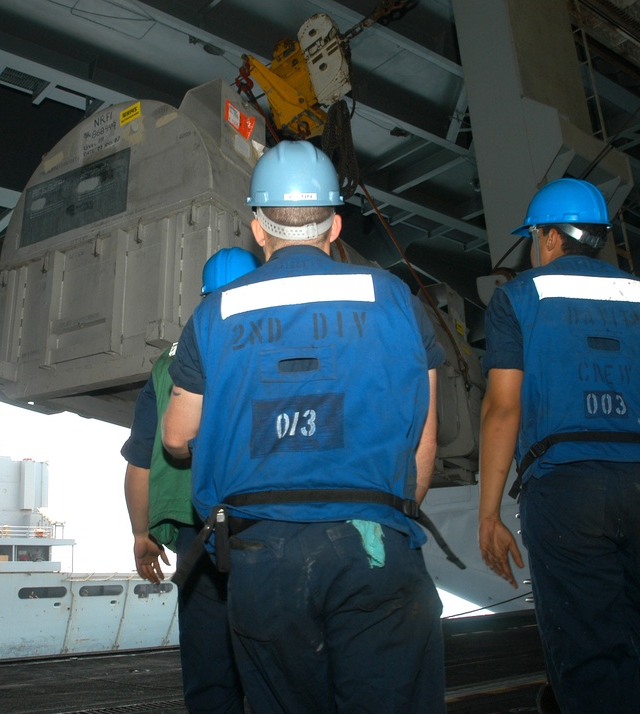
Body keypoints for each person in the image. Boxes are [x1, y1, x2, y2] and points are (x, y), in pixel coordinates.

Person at [161, 141, 446, 713]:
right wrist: (387, 515)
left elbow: (174, 437)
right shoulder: (397, 300)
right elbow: (424, 441)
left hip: (263, 556)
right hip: (376, 546)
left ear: (258, 229)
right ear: (335, 224)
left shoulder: (214, 313)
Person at [478, 177, 640, 713]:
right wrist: (631, 452)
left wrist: (489, 513)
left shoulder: (519, 298)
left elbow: (504, 408)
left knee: (592, 659)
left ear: (547, 237)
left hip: (564, 492)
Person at [121, 247, 258, 713]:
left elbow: (141, 462)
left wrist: (142, 533)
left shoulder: (167, 365)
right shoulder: (273, 336)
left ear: (202, 297)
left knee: (208, 659)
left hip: (195, 529)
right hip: (268, 522)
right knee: (277, 658)